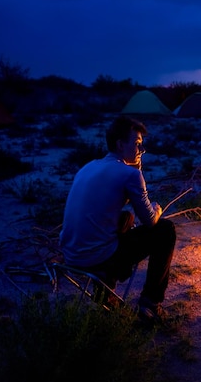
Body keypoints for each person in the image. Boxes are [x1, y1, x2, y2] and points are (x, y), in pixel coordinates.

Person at [59, 115, 176, 323]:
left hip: (71, 255)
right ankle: (150, 303)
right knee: (165, 230)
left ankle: (106, 287)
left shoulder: (88, 167)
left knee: (126, 218)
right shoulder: (129, 174)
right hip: (96, 258)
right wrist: (157, 210)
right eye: (137, 144)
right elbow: (149, 220)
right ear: (121, 144)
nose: (140, 151)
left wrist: (136, 168)